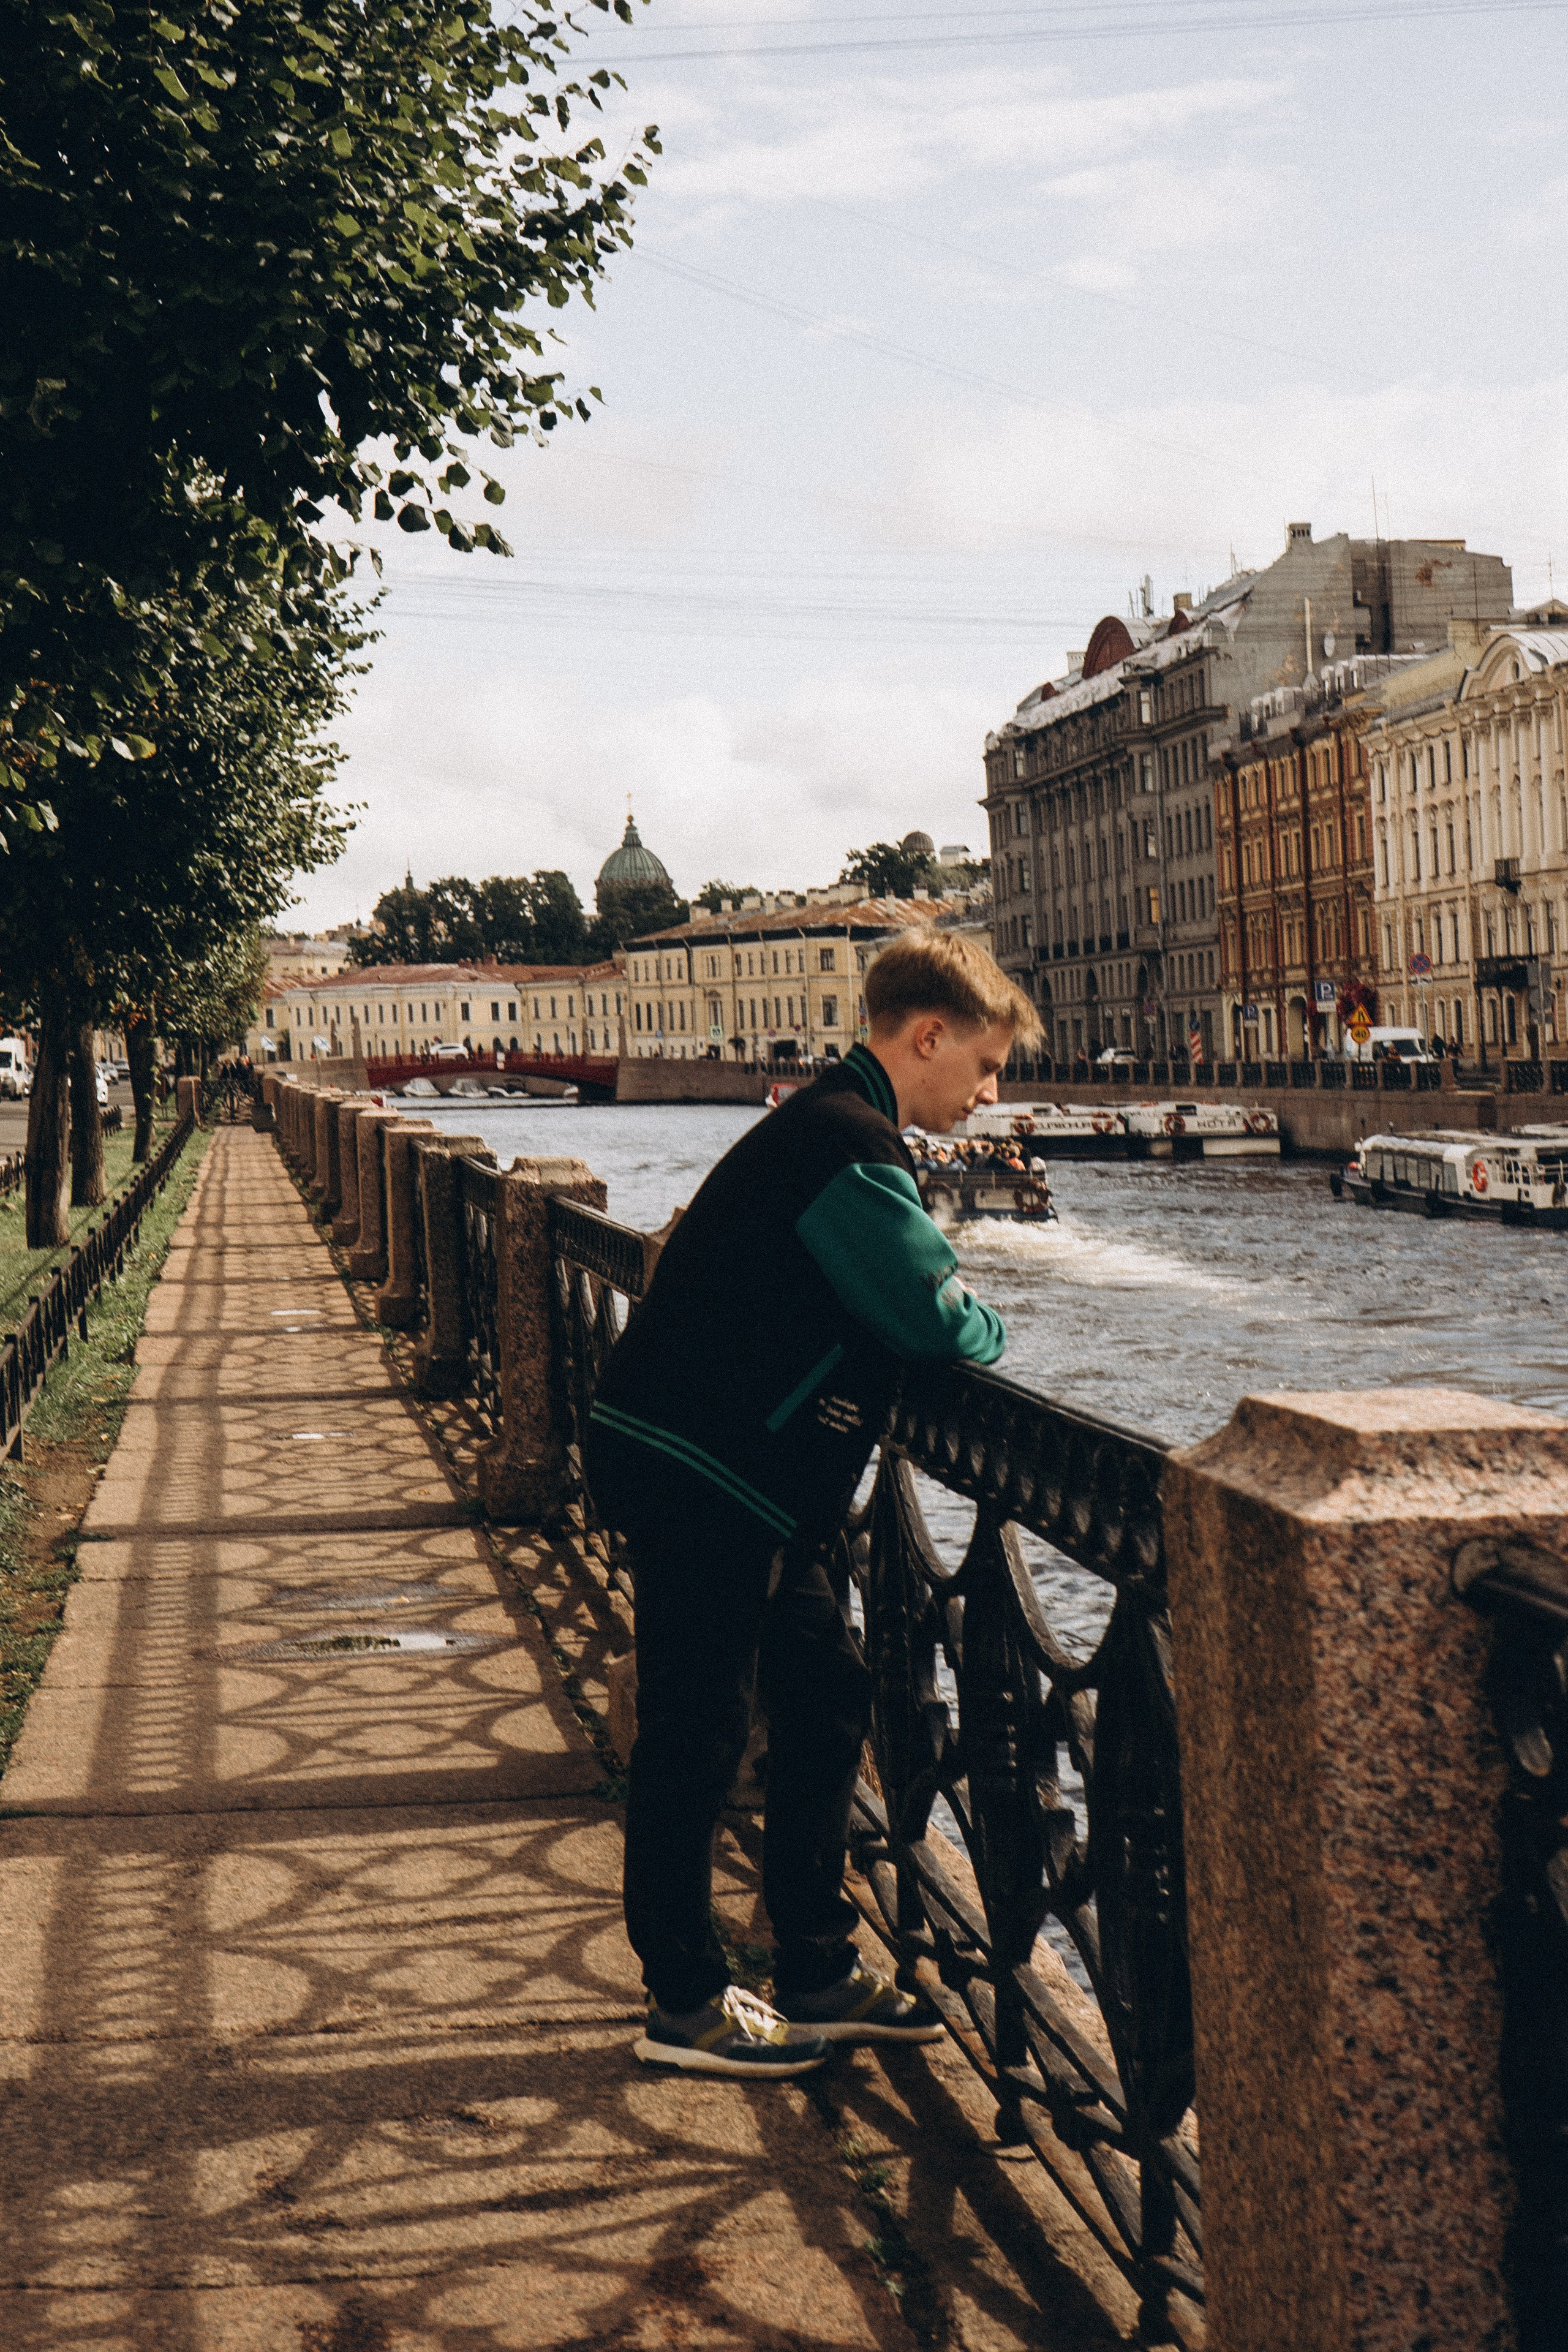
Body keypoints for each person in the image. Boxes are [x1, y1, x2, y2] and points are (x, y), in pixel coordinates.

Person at [586, 929, 1039, 2078]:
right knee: (698, 1729)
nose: (993, 1094)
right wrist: (979, 1315)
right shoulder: (848, 1142)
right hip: (707, 1468)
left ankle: (817, 1967)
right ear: (926, 1036)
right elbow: (940, 1317)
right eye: (984, 1066)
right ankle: (687, 2002)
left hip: (738, 1472)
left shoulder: (832, 1123)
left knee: (828, 1692)